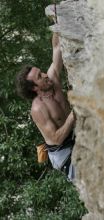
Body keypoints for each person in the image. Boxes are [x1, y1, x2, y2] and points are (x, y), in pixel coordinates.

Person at [16, 32, 76, 181]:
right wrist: (75, 113)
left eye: (41, 72)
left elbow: (56, 47)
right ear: (34, 88)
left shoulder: (52, 79)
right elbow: (56, 138)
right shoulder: (38, 109)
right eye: (39, 77)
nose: (44, 75)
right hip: (63, 153)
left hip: (75, 134)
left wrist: (57, 23)